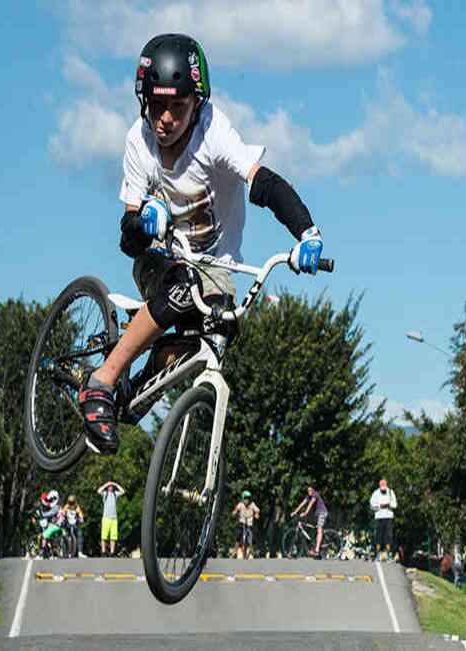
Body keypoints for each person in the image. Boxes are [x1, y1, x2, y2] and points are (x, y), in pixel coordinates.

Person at [77, 32, 326, 455]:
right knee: (180, 288)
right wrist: (143, 224)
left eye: (178, 105)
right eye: (157, 104)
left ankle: (138, 392)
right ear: (145, 102)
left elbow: (263, 184)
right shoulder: (138, 142)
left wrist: (307, 233)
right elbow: (128, 238)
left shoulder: (215, 135)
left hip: (215, 267)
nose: (166, 118)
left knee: (216, 330)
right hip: (161, 260)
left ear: (198, 102)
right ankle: (101, 380)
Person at [291, 485, 329, 558]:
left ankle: (317, 550)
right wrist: (295, 512)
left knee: (319, 529)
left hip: (322, 513)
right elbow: (302, 503)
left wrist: (305, 513)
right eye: (308, 491)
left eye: (310, 491)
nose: (309, 492)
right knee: (310, 527)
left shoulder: (315, 494)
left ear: (313, 490)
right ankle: (314, 546)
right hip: (316, 514)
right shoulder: (308, 496)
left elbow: (311, 503)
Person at [368, 478, 398, 562]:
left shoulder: (390, 492)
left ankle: (388, 555)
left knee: (388, 537)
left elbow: (395, 505)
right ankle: (377, 555)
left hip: (388, 517)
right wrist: (380, 506)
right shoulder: (376, 493)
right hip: (379, 517)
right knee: (378, 537)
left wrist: (388, 505)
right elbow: (372, 505)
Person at [97, 481, 126, 556]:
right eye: (109, 486)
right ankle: (103, 551)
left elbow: (122, 491)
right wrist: (106, 484)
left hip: (114, 518)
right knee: (104, 536)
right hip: (106, 517)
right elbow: (98, 491)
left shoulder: (114, 494)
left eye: (111, 486)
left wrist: (115, 484)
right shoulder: (105, 493)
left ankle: (112, 552)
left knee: (113, 536)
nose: (111, 487)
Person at [230, 490, 260, 559]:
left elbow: (257, 510)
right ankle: (235, 552)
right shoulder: (241, 504)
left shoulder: (252, 504)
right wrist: (234, 512)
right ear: (243, 499)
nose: (247, 500)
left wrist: (256, 514)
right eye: (245, 499)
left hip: (249, 523)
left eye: (248, 499)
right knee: (238, 536)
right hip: (242, 522)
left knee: (253, 538)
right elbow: (236, 509)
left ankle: (254, 552)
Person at [37, 490, 62, 557]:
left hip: (56, 525)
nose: (50, 501)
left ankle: (41, 553)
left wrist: (42, 515)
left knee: (45, 535)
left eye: (51, 500)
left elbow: (50, 513)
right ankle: (51, 550)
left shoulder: (56, 507)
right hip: (57, 524)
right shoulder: (57, 506)